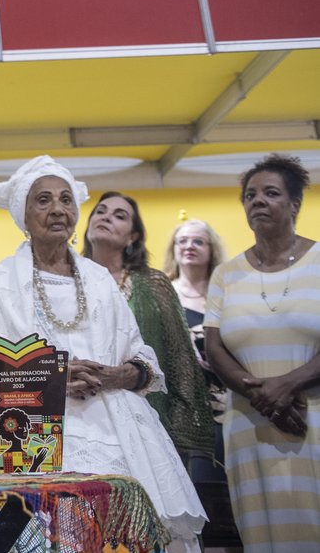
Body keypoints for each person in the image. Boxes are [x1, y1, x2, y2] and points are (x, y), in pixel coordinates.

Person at [0, 155, 206, 552]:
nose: (57, 209)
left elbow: (141, 357)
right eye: (42, 200)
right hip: (36, 428)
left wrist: (117, 375)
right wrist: (51, 375)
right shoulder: (2, 279)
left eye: (65, 199)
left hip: (122, 428)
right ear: (23, 216)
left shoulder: (97, 277)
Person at [203, 153, 320, 551]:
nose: (258, 201)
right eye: (250, 195)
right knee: (262, 535)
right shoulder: (227, 274)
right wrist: (263, 396)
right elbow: (215, 346)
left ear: (294, 204)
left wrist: (288, 385)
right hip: (250, 423)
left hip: (313, 418)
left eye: (271, 193)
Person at [82, 192, 213, 461]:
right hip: (84, 415)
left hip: (147, 416)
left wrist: (179, 431)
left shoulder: (152, 284)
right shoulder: (65, 281)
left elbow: (180, 360)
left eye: (120, 216)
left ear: (133, 237)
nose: (106, 216)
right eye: (101, 211)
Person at [163, 218, 240, 547]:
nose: (189, 247)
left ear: (212, 250)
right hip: (185, 416)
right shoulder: (162, 295)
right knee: (197, 502)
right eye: (182, 241)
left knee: (234, 504)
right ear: (174, 250)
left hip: (232, 410)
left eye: (198, 241)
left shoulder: (229, 294)